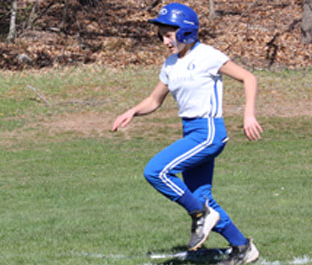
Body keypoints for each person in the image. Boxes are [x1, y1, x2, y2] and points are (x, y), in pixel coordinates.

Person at [112, 3, 263, 264]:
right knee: (201, 198)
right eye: (161, 35)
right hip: (191, 131)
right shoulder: (171, 64)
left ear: (186, 32)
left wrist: (248, 114)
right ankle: (242, 247)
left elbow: (249, 78)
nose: (165, 41)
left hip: (208, 132)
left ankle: (200, 216)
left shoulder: (208, 55)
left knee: (155, 171)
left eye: (169, 35)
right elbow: (154, 100)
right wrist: (132, 112)